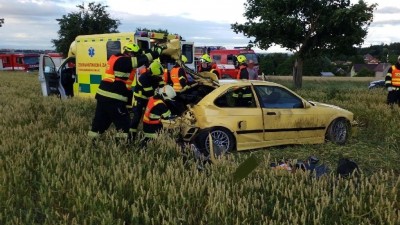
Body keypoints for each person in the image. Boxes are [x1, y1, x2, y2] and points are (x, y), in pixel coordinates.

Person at [88, 43, 163, 144]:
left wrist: (151, 50)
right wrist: (156, 53)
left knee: (99, 122)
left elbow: (141, 56)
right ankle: (121, 146)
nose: (136, 57)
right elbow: (139, 60)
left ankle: (91, 143)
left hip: (103, 96)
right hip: (113, 97)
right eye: (135, 55)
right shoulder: (123, 61)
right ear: (130, 53)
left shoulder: (115, 58)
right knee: (123, 123)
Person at [130, 60, 165, 138]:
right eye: (158, 76)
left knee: (149, 116)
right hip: (139, 100)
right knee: (136, 117)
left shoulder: (156, 75)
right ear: (153, 73)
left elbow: (162, 85)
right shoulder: (144, 78)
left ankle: (148, 133)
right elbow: (150, 93)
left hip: (148, 100)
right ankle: (131, 136)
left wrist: (165, 90)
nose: (159, 77)